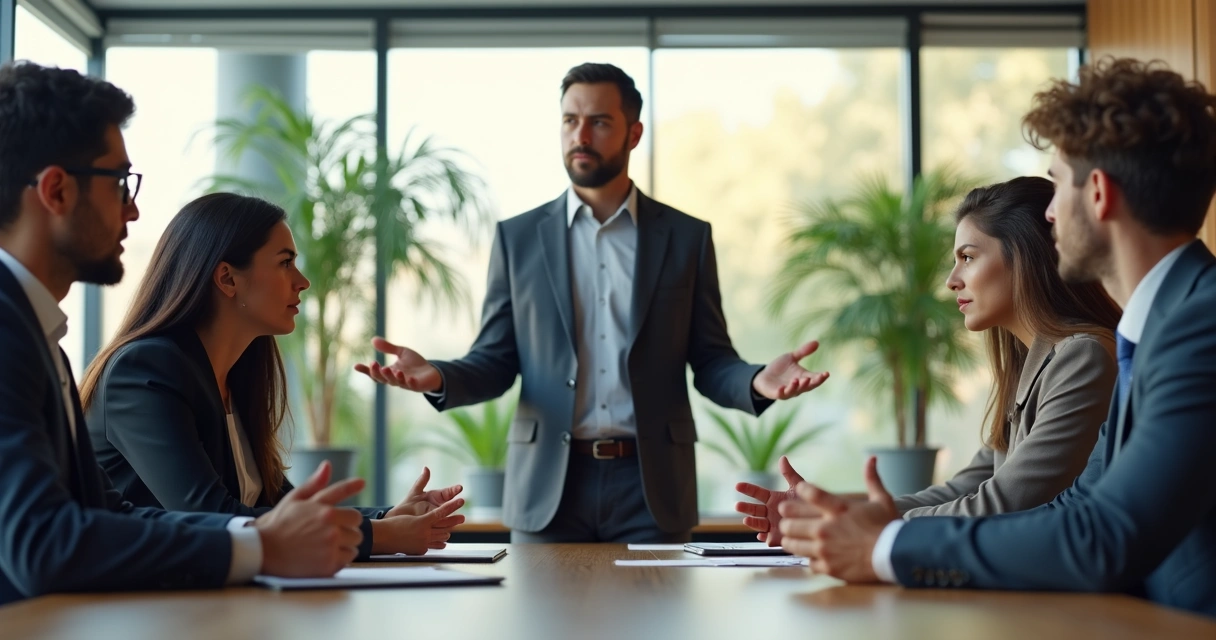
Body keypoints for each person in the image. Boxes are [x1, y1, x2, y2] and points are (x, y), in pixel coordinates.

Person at [778, 57, 1216, 618]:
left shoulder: (1198, 326)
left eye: (1057, 187)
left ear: (1100, 194)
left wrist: (885, 545)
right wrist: (849, 519)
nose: (1049, 216)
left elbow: (1104, 536)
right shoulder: (1159, 328)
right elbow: (1081, 505)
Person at [354, 62, 828, 543]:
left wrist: (756, 381)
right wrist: (437, 376)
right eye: (569, 120)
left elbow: (710, 361)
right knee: (541, 621)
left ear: (634, 132)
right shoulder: (518, 239)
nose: (581, 134)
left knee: (661, 620)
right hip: (548, 487)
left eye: (599, 121)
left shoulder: (686, 238)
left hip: (652, 489)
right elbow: (495, 361)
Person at [0, 61, 365, 605]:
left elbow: (106, 514)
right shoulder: (11, 334)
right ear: (56, 191)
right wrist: (260, 549)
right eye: (119, 181)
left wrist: (265, 537)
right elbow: (42, 543)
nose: (134, 208)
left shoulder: (37, 335)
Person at [735, 176, 1121, 545]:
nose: (952, 280)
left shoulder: (1082, 357)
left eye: (968, 257)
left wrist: (850, 522)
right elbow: (964, 489)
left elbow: (1004, 504)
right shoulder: (1027, 366)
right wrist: (836, 510)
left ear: (1024, 256)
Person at [81, 193, 465, 558]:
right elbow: (212, 517)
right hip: (147, 612)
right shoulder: (145, 371)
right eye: (285, 263)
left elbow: (279, 508)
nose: (302, 281)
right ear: (228, 279)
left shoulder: (236, 376)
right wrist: (380, 537)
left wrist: (388, 516)